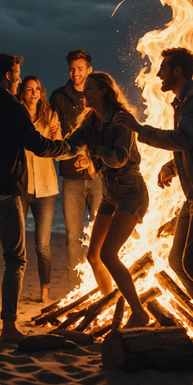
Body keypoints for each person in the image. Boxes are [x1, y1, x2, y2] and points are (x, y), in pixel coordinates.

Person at [114, 47, 193, 353]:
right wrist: (172, 166)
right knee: (177, 260)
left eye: (164, 68)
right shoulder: (184, 101)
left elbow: (185, 139)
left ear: (177, 71)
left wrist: (138, 129)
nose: (158, 73)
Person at [0, 53, 74, 341]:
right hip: (5, 192)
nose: (20, 78)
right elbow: (36, 144)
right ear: (8, 75)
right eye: (17, 73)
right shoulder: (12, 108)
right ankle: (9, 327)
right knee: (16, 259)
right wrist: (68, 149)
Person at [66, 71, 150, 327]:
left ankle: (138, 312)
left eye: (89, 87)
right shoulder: (90, 122)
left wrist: (95, 151)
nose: (84, 92)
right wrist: (44, 145)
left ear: (103, 91)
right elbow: (69, 146)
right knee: (94, 256)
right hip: (109, 193)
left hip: (130, 191)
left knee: (109, 254)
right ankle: (109, 304)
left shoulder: (122, 119)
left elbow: (120, 158)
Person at [50, 50, 103, 288]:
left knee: (98, 234)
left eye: (80, 68)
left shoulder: (99, 95)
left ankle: (97, 283)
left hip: (97, 175)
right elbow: (53, 130)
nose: (75, 73)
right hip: (70, 176)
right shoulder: (58, 96)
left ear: (89, 70)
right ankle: (75, 286)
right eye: (72, 68)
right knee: (73, 236)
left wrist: (91, 156)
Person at [17, 76, 62, 304]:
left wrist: (56, 138)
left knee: (42, 245)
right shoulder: (16, 115)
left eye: (37, 88)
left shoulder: (49, 115)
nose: (34, 92)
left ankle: (44, 291)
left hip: (46, 188)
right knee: (18, 244)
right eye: (29, 89)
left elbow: (58, 147)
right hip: (21, 186)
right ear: (22, 92)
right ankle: (14, 289)